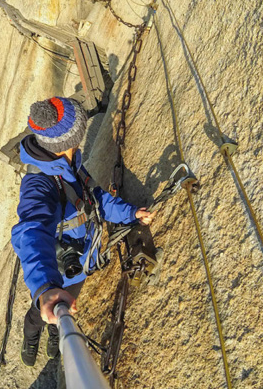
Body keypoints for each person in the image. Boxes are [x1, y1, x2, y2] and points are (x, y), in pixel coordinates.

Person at [11, 96, 156, 366]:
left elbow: (95, 199)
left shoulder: (70, 164)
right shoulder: (39, 183)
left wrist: (130, 213)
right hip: (53, 272)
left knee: (61, 310)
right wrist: (44, 287)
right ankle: (30, 339)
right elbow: (30, 232)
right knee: (40, 313)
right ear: (70, 138)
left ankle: (55, 335)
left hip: (77, 265)